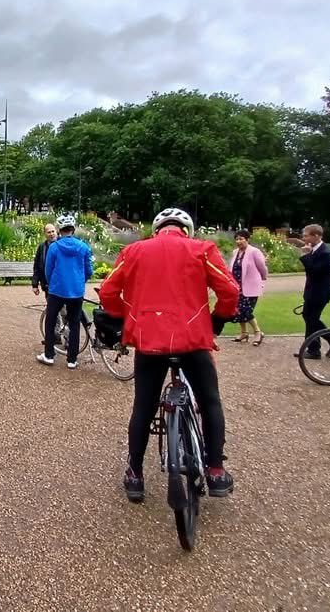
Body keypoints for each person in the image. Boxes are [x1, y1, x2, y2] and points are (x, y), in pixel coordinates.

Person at [98, 207, 239, 502]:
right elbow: (229, 290)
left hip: (149, 341)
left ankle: (135, 475)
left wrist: (128, 317)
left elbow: (108, 292)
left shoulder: (134, 251)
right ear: (186, 230)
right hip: (192, 340)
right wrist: (217, 319)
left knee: (143, 407)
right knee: (209, 401)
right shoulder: (202, 249)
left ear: (157, 229)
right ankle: (215, 470)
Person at [37, 215, 93, 369]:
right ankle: (72, 359)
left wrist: (51, 282)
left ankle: (49, 355)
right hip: (76, 291)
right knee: (75, 323)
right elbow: (89, 270)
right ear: (73, 230)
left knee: (50, 320)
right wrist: (80, 281)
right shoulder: (83, 247)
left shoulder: (54, 247)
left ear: (59, 230)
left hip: (57, 290)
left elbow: (48, 269)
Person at [297, 224, 330, 360]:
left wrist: (305, 256)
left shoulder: (325, 252)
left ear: (316, 236)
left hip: (320, 293)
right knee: (309, 317)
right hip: (312, 291)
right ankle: (319, 346)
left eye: (306, 235)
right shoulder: (315, 250)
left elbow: (315, 272)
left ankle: (318, 347)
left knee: (311, 319)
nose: (303, 238)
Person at [227, 230, 269, 346]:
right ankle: (244, 333)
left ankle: (258, 332)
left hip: (250, 286)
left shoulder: (254, 251)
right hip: (237, 286)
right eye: (237, 239)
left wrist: (263, 278)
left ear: (247, 239)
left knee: (246, 310)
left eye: (241, 239)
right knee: (238, 310)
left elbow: (262, 267)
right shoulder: (235, 252)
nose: (238, 241)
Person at [31, 223, 58, 297]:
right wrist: (35, 285)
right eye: (49, 232)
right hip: (47, 285)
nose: (51, 234)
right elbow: (37, 266)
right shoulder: (42, 247)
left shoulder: (62, 245)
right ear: (45, 234)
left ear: (56, 231)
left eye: (53, 231)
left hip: (61, 285)